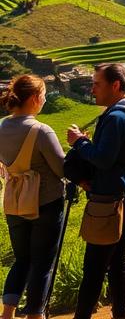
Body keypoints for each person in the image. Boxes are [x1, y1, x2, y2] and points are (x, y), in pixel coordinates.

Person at [66, 63, 125, 319]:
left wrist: (79, 142)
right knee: (118, 261)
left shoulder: (115, 117)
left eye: (96, 84)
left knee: (94, 266)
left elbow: (102, 160)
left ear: (115, 85)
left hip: (108, 201)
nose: (92, 90)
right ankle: (121, 313)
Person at [0, 75, 65, 319]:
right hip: (44, 202)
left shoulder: (2, 126)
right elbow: (61, 169)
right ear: (36, 98)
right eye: (45, 95)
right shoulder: (40, 130)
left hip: (14, 201)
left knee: (22, 259)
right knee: (42, 262)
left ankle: (7, 311)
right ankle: (36, 314)